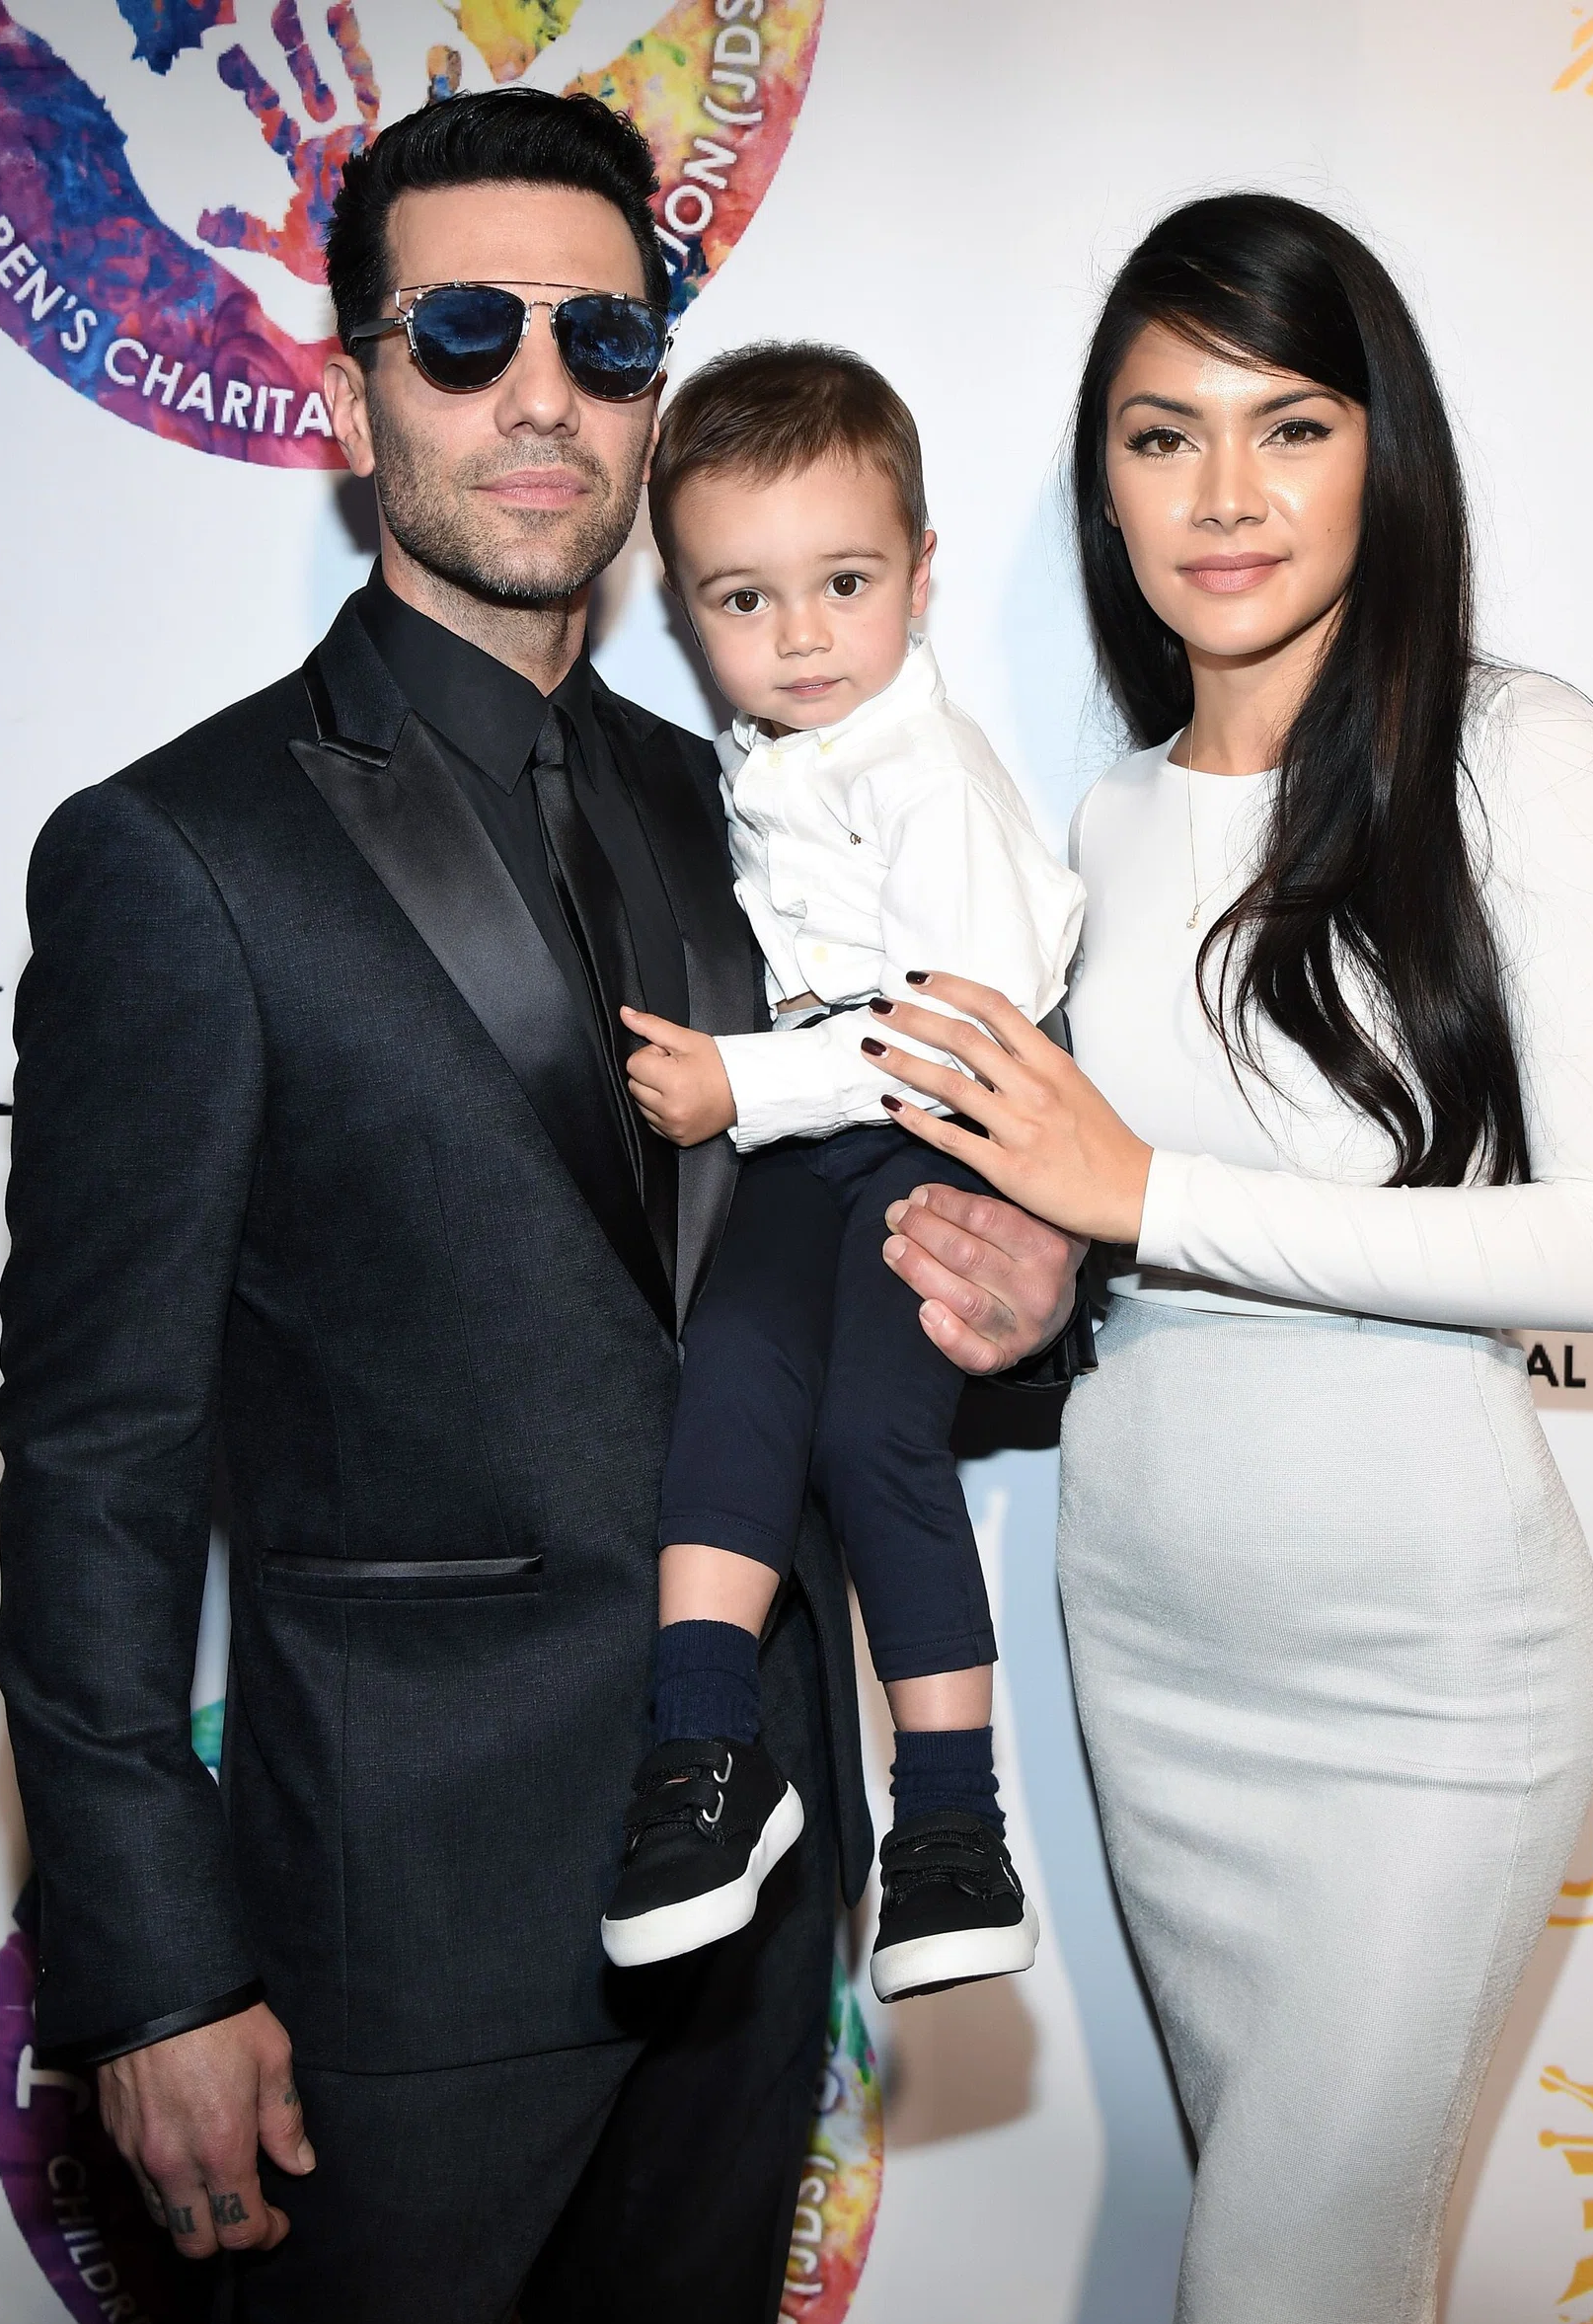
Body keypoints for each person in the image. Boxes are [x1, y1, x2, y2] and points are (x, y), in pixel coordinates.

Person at [0, 89, 1077, 2324]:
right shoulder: (186, 848)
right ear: (356, 383)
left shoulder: (762, 802)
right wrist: (148, 1964)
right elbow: (95, 1462)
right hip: (399, 1924)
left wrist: (1014, 1298)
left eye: (604, 333)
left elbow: (859, 1258)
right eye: (464, 329)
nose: (538, 388)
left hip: (757, 1864)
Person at [855, 194, 1593, 2324]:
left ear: (1376, 454)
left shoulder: (1517, 752)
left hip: (1427, 1692)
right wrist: (1048, 1269)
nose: (1223, 495)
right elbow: (1094, 1246)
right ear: (1100, 489)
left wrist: (1142, 1195)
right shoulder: (1093, 827)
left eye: (1288, 423)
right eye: (1162, 434)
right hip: (1157, 1664)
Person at [594, 343, 1084, 2002]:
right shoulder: (772, 761)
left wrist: (743, 1076)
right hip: (808, 1152)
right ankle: (701, 1762)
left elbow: (952, 1033)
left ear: (922, 576)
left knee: (877, 1433)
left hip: (925, 1143)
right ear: (681, 601)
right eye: (743, 598)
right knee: (726, 1390)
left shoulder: (925, 776)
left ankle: (952, 1825)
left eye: (845, 582)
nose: (800, 636)